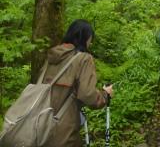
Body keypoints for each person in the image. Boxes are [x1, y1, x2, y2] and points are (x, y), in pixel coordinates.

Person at [40, 19, 112, 147]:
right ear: (85, 38)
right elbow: (87, 94)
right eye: (90, 39)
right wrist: (105, 95)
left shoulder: (52, 57)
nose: (91, 43)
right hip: (64, 132)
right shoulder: (83, 59)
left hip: (40, 126)